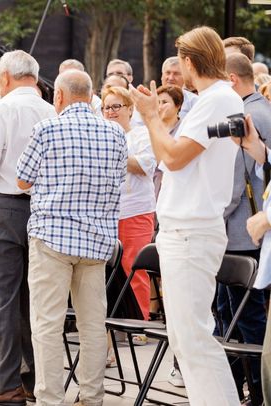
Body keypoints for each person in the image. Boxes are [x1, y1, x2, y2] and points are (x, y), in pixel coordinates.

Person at [129, 26, 244, 405]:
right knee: (186, 337)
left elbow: (174, 158)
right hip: (187, 230)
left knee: (192, 337)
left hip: (191, 232)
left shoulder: (214, 100)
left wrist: (150, 117)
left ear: (189, 62)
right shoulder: (218, 100)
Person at [18, 69, 127, 406]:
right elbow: (120, 177)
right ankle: (92, 396)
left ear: (59, 96)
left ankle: (51, 399)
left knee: (47, 324)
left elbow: (22, 179)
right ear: (91, 95)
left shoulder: (46, 128)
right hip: (97, 242)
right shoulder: (115, 133)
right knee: (93, 325)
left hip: (52, 238)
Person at [0, 50, 56, 405]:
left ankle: (3, 385)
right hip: (44, 211)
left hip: (5, 208)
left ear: (3, 78)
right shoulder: (51, 110)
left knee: (2, 300)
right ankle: (35, 380)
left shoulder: (2, 108)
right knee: (34, 301)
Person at [220, 52, 270, 402]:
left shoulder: (254, 114)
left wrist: (216, 214)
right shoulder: (255, 111)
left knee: (243, 316)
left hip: (243, 232)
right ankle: (243, 387)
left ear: (231, 79)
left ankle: (252, 389)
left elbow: (238, 182)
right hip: (244, 231)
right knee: (234, 315)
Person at [101, 86, 155, 322]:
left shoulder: (142, 135)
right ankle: (115, 319)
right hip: (107, 212)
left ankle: (138, 322)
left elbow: (144, 166)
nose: (111, 112)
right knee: (109, 270)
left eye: (116, 106)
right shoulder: (100, 134)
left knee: (134, 267)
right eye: (106, 107)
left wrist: (113, 153)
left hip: (135, 210)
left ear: (130, 109)